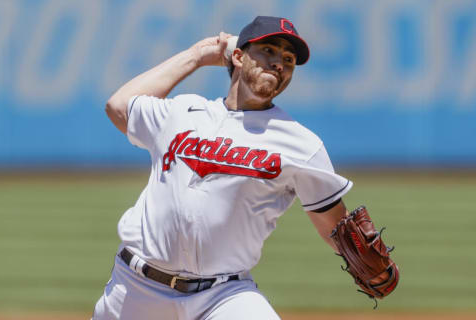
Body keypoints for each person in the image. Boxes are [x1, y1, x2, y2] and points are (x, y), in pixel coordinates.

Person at [94, 16, 355, 320]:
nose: (278, 63)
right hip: (137, 289)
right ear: (239, 56)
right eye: (268, 51)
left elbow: (335, 228)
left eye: (288, 59)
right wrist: (197, 56)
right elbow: (118, 106)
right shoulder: (182, 112)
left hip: (224, 296)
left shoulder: (300, 143)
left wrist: (359, 252)